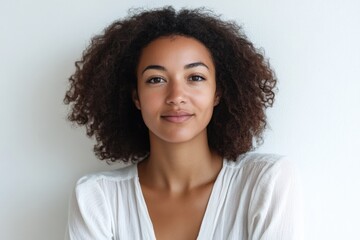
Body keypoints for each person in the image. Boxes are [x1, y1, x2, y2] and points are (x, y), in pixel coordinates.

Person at [64, 6, 303, 240]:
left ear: (217, 92)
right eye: (156, 79)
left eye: (195, 77)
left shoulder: (264, 183)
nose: (176, 96)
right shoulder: (97, 199)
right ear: (136, 96)